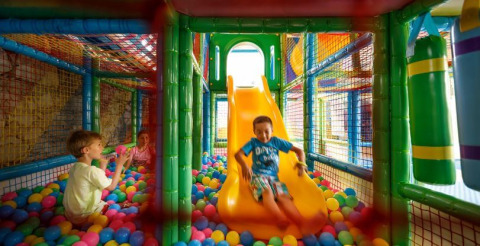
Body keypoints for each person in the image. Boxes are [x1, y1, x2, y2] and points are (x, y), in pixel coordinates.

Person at [234, 116, 324, 234]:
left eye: (267, 131)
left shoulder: (276, 141)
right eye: (259, 132)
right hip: (257, 177)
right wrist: (245, 166)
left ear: (272, 130)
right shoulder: (253, 142)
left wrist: (302, 163)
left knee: (283, 196)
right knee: (267, 191)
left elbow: (299, 151)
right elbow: (238, 154)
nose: (263, 135)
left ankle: (303, 223)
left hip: (274, 179)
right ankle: (279, 218)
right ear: (254, 132)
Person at [63, 130, 129, 225]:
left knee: (103, 203)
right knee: (114, 212)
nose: (102, 148)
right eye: (99, 145)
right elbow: (111, 187)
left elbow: (94, 180)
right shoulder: (91, 170)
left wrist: (102, 166)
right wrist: (119, 165)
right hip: (86, 217)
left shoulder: (75, 167)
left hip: (71, 215)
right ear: (86, 150)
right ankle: (117, 207)